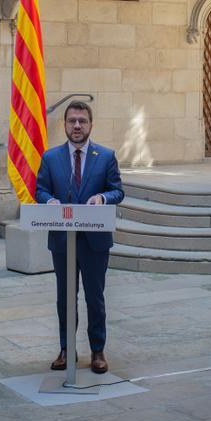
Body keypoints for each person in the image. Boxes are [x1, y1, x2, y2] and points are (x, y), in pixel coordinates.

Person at [35, 101, 125, 374]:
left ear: (90, 125)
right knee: (65, 296)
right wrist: (49, 201)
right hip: (63, 240)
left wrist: (102, 197)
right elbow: (40, 189)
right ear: (64, 124)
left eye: (82, 121)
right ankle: (66, 348)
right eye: (72, 121)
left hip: (95, 240)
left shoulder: (106, 156)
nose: (76, 126)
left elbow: (117, 191)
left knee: (94, 297)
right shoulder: (50, 158)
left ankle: (98, 350)